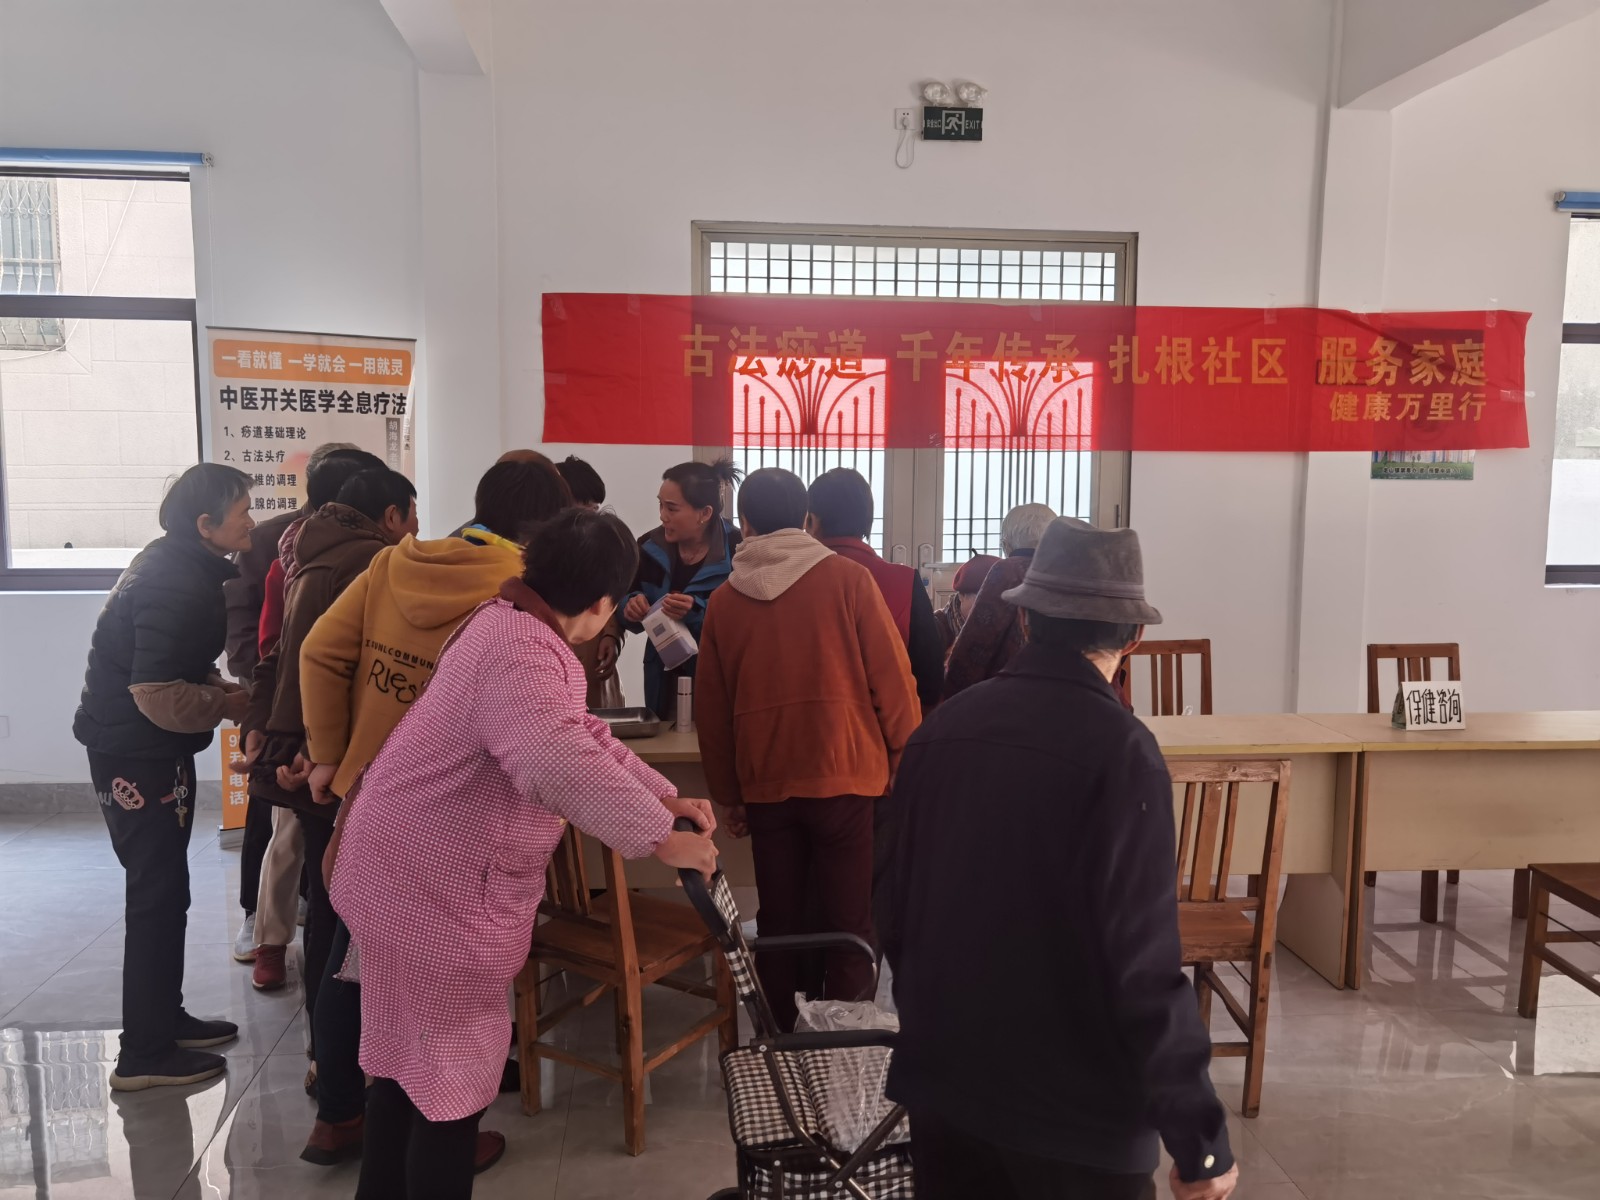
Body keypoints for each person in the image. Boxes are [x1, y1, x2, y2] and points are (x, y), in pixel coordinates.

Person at [331, 508, 720, 1200]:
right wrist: (662, 840)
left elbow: (580, 735)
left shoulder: (504, 624)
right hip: (431, 896)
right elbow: (552, 757)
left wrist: (663, 798)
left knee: (405, 1068)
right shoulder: (522, 651)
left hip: (395, 874)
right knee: (448, 1087)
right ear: (601, 603)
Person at [882, 517, 1237, 1200]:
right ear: (1134, 638)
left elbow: (895, 911)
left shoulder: (940, 731)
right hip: (1077, 1123)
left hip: (945, 1093)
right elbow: (1142, 966)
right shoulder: (1122, 752)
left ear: (1025, 620)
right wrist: (1200, 1141)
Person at [296, 455, 571, 1171]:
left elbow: (320, 650)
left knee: (353, 956)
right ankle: (440, 1120)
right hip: (449, 812)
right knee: (443, 982)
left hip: (367, 794)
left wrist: (329, 754)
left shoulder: (400, 560)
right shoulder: (522, 593)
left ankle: (339, 1113)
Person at [696, 468, 919, 1032]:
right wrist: (902, 758)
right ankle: (841, 1044)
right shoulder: (849, 580)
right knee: (849, 923)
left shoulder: (724, 600)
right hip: (847, 777)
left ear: (744, 524)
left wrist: (729, 795)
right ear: (805, 521)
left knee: (780, 923)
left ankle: (780, 1040)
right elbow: (893, 684)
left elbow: (712, 713)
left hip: (767, 784)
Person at [72, 463, 256, 1091]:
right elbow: (153, 691)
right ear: (205, 524)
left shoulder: (181, 562)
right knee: (155, 892)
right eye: (241, 512)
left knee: (168, 888)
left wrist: (216, 687)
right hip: (133, 751)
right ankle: (144, 1053)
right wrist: (229, 705)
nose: (250, 522)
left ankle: (163, 1018)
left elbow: (178, 661)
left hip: (146, 746)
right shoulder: (171, 579)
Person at [244, 467, 418, 999]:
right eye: (413, 514)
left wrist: (260, 723)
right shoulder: (373, 562)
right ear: (391, 515)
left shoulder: (309, 553)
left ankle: (324, 1037)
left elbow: (279, 654)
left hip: (302, 748)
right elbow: (340, 666)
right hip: (334, 760)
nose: (417, 529)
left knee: (325, 898)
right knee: (344, 910)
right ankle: (339, 1041)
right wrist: (320, 751)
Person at [229, 444, 382, 965]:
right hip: (285, 708)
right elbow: (270, 640)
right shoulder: (279, 545)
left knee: (309, 844)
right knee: (280, 829)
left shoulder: (374, 557)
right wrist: (267, 716)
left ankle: (297, 931)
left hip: (313, 717)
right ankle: (264, 931)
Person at [804, 467, 944, 713]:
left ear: (811, 521)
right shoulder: (904, 581)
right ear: (867, 520)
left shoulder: (793, 578)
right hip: (889, 727)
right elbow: (930, 683)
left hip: (811, 725)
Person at [622, 458, 743, 719]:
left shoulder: (738, 549)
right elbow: (620, 598)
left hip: (717, 678)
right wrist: (630, 605)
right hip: (662, 680)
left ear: (704, 513)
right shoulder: (647, 547)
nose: (662, 515)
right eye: (660, 505)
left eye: (671, 508)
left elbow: (745, 617)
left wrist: (697, 610)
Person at [941, 503, 1055, 700]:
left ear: (1005, 544)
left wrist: (953, 693)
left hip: (1011, 696)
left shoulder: (1006, 571)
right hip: (1065, 693)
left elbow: (978, 641)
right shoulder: (1066, 573)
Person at [557, 454, 626, 708]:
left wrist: (611, 636)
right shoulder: (538, 551)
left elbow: (613, 595)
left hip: (594, 669)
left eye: (594, 508)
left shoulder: (602, 544)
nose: (591, 516)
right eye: (582, 506)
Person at [934, 553, 1000, 659]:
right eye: (982, 599)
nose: (991, 608)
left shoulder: (1009, 627)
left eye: (998, 600)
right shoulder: (936, 628)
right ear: (962, 595)